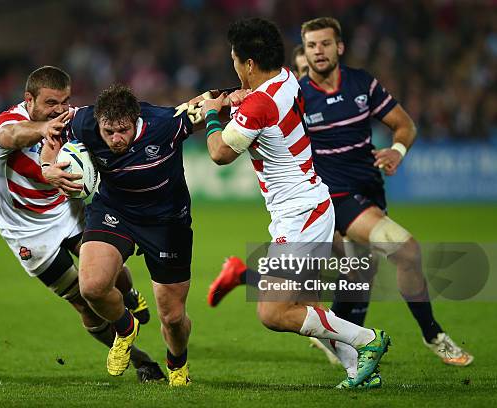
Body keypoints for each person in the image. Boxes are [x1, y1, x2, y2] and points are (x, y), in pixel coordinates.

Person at [209, 17, 473, 367]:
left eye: (325, 44)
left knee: (348, 280)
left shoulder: (359, 84)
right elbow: (258, 109)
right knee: (400, 253)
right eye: (311, 45)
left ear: (340, 47)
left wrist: (398, 149)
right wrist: (239, 100)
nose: (318, 51)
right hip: (334, 198)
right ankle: (429, 335)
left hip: (350, 196)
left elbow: (404, 124)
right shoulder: (295, 85)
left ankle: (251, 279)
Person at [200, 17, 390, 389]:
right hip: (310, 203)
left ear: (248, 64)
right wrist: (237, 99)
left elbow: (220, 153)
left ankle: (368, 340)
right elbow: (259, 107)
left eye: (236, 61)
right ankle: (359, 372)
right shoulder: (285, 78)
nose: (234, 67)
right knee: (301, 307)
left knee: (273, 312)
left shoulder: (259, 104)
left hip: (300, 213)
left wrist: (210, 114)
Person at [0, 66, 164, 382]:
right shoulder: (8, 123)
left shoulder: (71, 120)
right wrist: (42, 131)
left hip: (68, 211)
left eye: (65, 101)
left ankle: (130, 295)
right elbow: (10, 136)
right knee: (84, 304)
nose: (60, 110)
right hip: (27, 233)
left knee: (105, 273)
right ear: (29, 100)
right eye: (51, 103)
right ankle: (141, 360)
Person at [41, 83, 224, 386]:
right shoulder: (84, 121)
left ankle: (177, 364)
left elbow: (212, 102)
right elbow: (52, 134)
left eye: (122, 131)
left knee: (173, 318)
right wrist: (48, 164)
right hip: (115, 211)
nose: (115, 139)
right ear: (98, 122)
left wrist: (237, 97)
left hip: (167, 222)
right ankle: (126, 328)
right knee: (92, 287)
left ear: (136, 120)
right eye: (108, 131)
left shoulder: (166, 123)